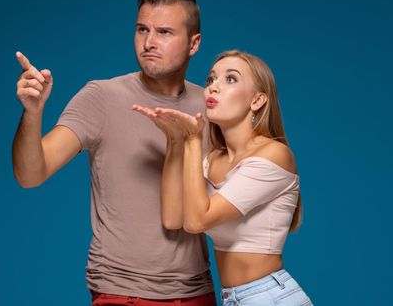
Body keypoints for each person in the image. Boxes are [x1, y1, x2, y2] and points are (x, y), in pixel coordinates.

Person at [11, 0, 216, 305]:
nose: (149, 42)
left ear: (194, 43)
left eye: (164, 32)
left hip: (196, 291)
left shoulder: (211, 106)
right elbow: (30, 174)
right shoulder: (101, 97)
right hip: (121, 291)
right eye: (142, 29)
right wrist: (33, 113)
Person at [133, 50, 313, 305]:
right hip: (233, 298)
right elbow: (174, 218)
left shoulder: (274, 154)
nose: (213, 88)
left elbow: (197, 221)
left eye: (230, 79)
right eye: (211, 80)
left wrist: (194, 139)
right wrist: (175, 140)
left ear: (258, 100)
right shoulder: (212, 160)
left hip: (270, 297)